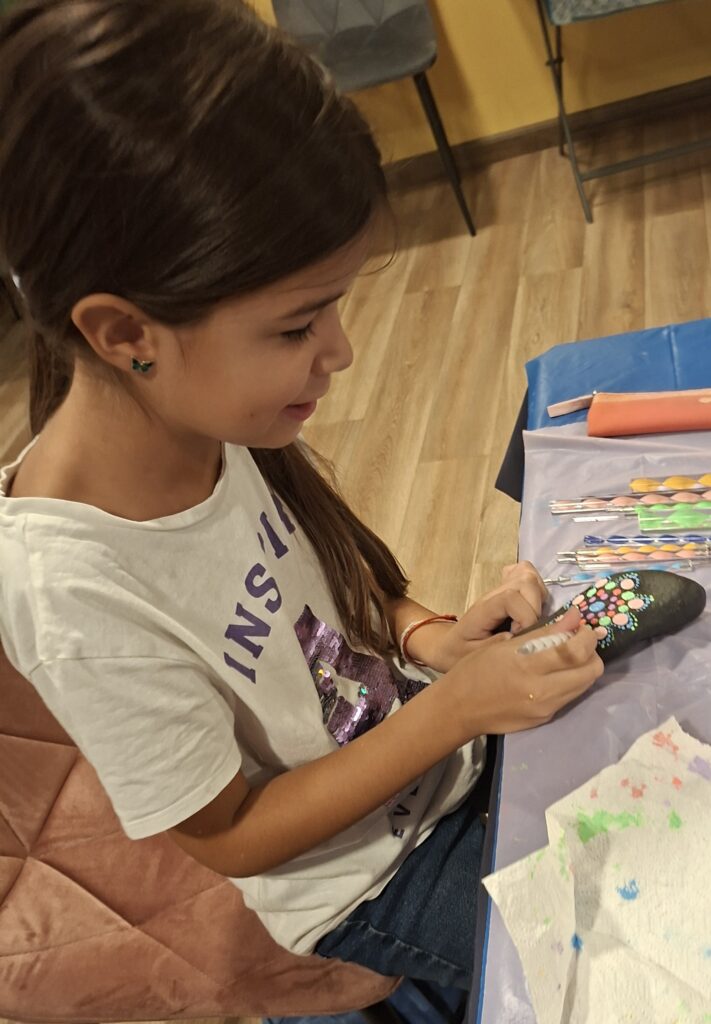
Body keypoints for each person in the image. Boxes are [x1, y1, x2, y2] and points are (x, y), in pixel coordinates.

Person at [0, 0, 603, 991]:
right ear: (122, 332)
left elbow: (323, 578)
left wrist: (425, 639)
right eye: (295, 327)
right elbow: (232, 835)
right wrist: (452, 710)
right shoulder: (74, 596)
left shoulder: (211, 418)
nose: (342, 353)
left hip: (431, 760)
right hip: (368, 884)